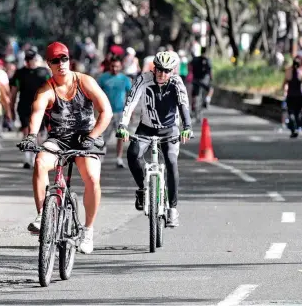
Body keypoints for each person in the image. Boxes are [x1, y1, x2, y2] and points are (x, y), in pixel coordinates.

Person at [18, 42, 113, 254]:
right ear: (48, 64)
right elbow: (37, 113)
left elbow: (106, 111)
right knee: (40, 162)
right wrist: (32, 136)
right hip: (58, 139)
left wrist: (93, 137)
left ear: (69, 60)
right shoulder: (46, 89)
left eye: (64, 59)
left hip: (85, 138)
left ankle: (87, 231)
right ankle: (43, 215)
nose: (61, 64)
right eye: (55, 61)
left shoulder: (84, 81)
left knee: (92, 177)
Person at [116, 51, 193, 227]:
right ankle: (143, 188)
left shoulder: (176, 82)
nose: (162, 74)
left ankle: (172, 209)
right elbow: (131, 102)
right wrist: (123, 125)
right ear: (154, 68)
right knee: (133, 153)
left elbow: (183, 105)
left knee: (172, 162)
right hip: (146, 128)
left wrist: (187, 127)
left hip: (169, 130)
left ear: (173, 71)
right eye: (159, 69)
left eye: (166, 71)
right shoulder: (144, 79)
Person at [10, 49, 51, 168]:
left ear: (35, 59)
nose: (29, 62)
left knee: (36, 132)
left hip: (40, 107)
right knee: (26, 132)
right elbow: (13, 91)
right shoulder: (20, 73)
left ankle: (34, 155)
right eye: (27, 60)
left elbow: (51, 89)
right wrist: (11, 108)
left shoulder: (44, 72)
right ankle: (27, 157)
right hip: (24, 106)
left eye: (31, 59)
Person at [97, 56, 132, 168]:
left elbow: (131, 96)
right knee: (103, 137)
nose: (115, 68)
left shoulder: (125, 79)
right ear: (109, 66)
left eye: (117, 66)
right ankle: (100, 157)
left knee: (121, 136)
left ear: (120, 66)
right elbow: (96, 94)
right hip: (106, 112)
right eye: (112, 66)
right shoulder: (103, 78)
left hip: (120, 112)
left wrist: (129, 113)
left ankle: (119, 159)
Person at [282, 56, 302, 138]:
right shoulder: (300, 71)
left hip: (290, 95)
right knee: (297, 114)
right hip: (299, 96)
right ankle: (296, 128)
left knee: (291, 112)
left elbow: (284, 84)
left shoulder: (288, 71)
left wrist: (284, 91)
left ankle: (294, 129)